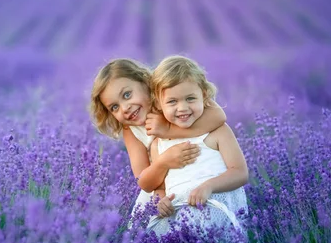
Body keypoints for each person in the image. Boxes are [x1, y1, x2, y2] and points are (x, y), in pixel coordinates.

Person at [88, 58, 227, 225]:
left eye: (127, 95)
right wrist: (163, 162)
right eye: (114, 107)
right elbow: (144, 181)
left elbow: (219, 116)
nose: (125, 108)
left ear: (145, 82)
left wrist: (168, 131)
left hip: (201, 175)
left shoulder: (171, 95)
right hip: (167, 190)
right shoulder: (130, 131)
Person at [143, 55, 249, 236]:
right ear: (159, 104)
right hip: (179, 217)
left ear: (204, 96)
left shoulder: (217, 131)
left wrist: (208, 186)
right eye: (172, 101)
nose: (182, 108)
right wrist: (160, 200)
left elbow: (240, 173)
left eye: (190, 98)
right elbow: (160, 186)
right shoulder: (159, 144)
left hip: (220, 209)